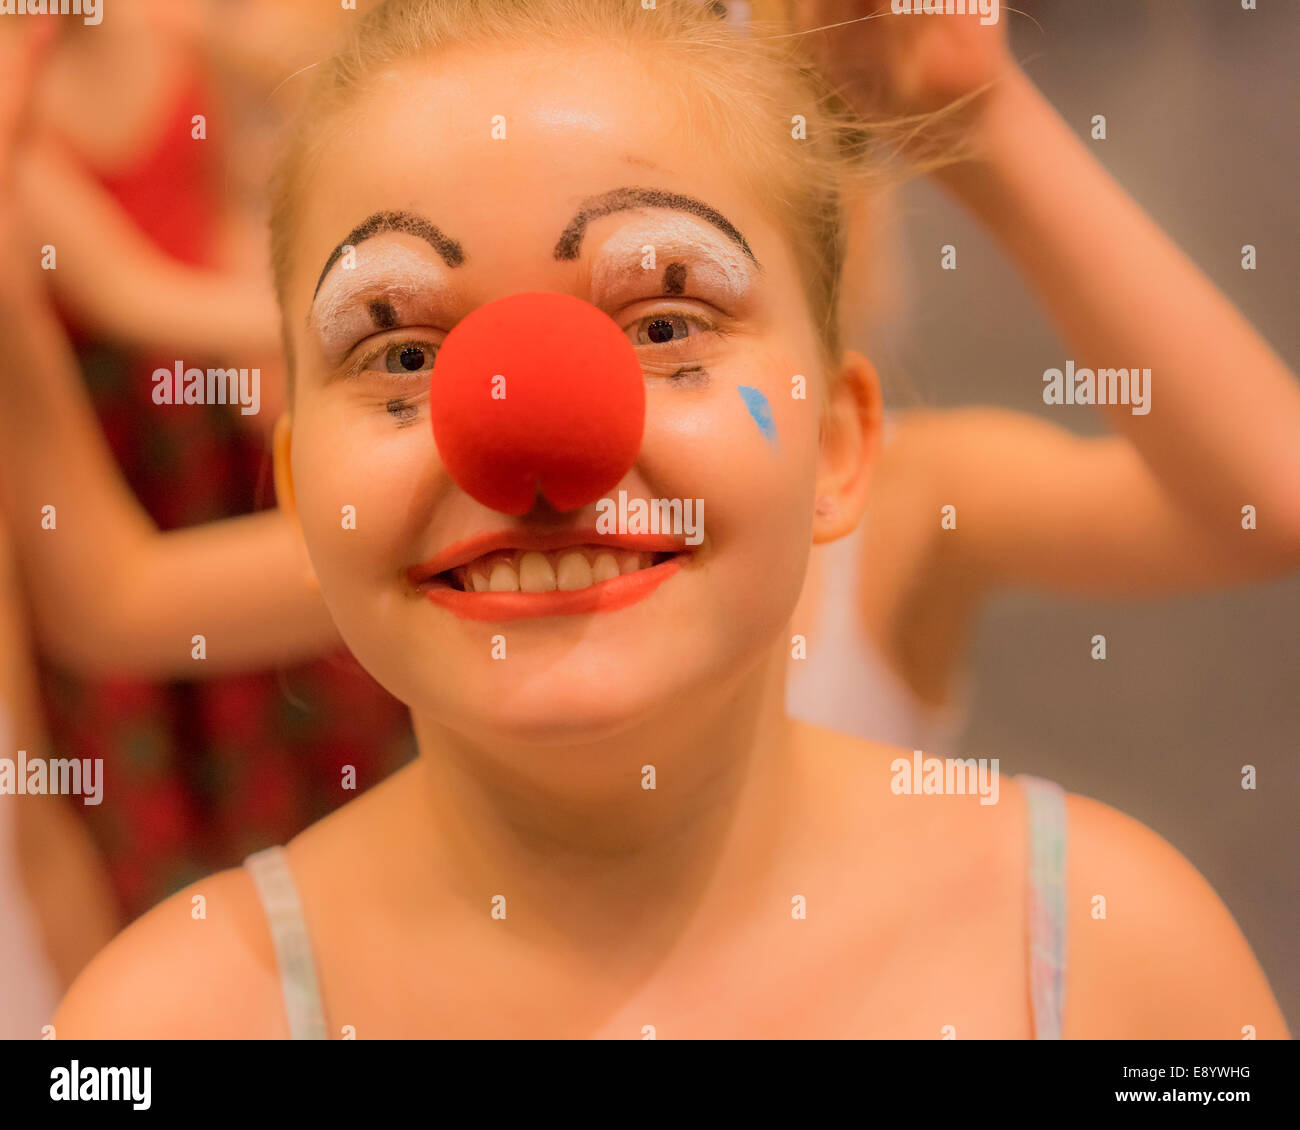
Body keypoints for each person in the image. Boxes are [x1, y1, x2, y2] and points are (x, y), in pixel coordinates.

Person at [51, 0, 1287, 1038]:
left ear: (842, 443)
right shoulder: (159, 1029)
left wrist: (980, 124)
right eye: (400, 345)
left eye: (662, 321)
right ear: (299, 482)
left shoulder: (1116, 962)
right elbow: (113, 596)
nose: (529, 430)